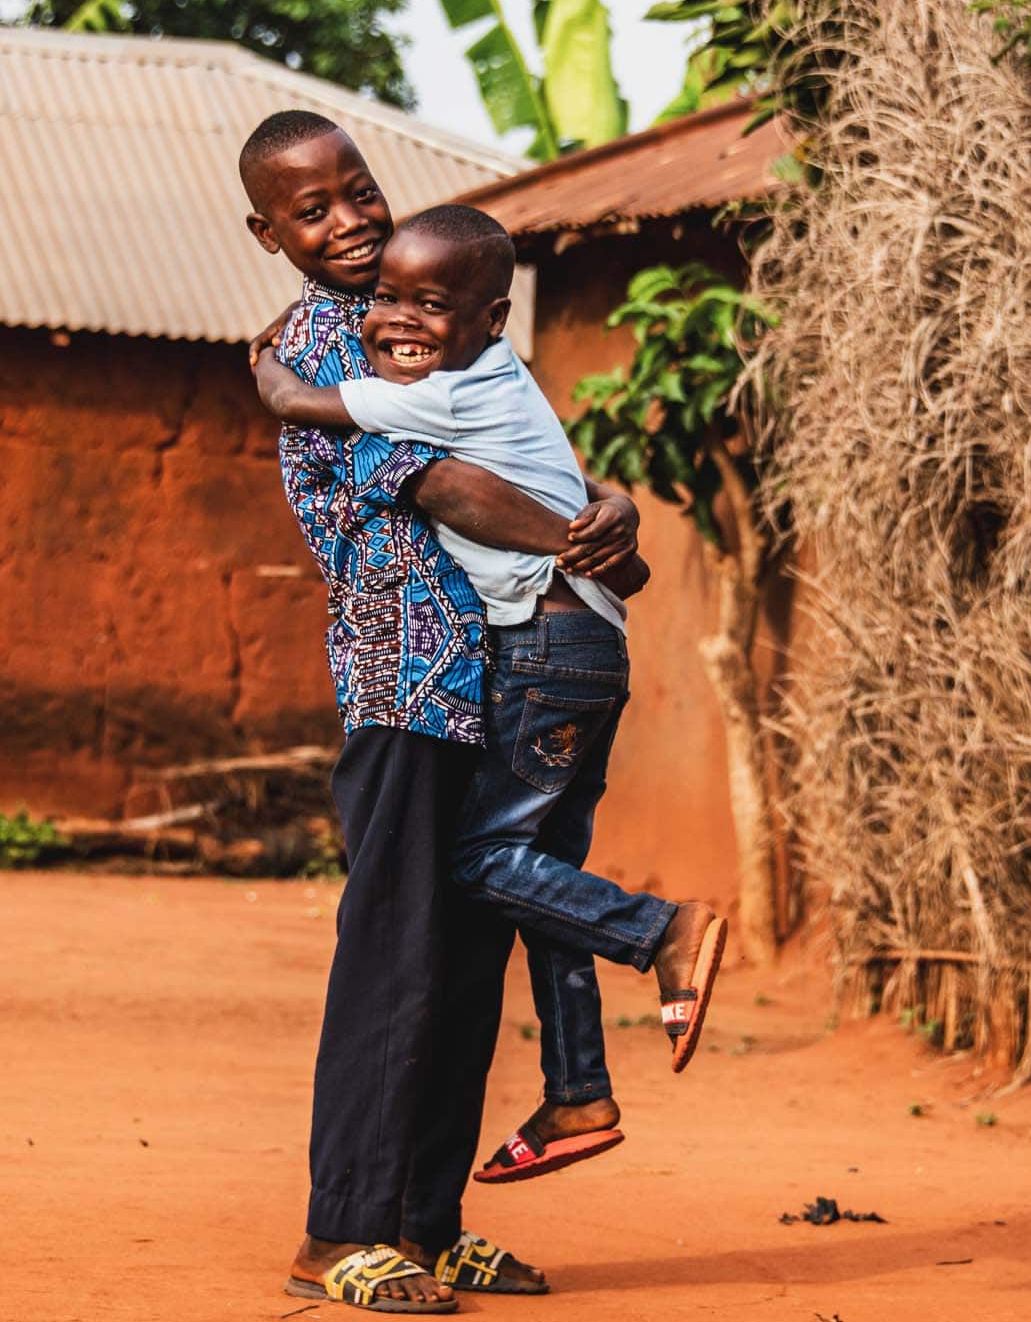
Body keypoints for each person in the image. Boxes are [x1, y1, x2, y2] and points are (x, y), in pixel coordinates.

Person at [240, 108, 645, 1316]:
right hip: (405, 678)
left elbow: (520, 454)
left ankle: (425, 1220)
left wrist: (603, 498)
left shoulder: (426, 323)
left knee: (468, 951)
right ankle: (342, 1231)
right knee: (394, 951)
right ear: (272, 234)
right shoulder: (327, 342)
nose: (350, 219)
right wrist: (597, 555)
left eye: (358, 190)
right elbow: (450, 484)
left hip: (488, 676)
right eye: (314, 209)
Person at [252, 198, 729, 1182]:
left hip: (540, 648)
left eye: (429, 302)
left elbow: (337, 423)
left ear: (485, 318)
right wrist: (604, 517)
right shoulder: (490, 371)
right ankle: (578, 1089)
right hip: (585, 642)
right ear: (267, 231)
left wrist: (266, 370)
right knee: (543, 869)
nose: (398, 319)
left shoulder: (426, 387)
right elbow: (555, 479)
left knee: (479, 861)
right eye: (387, 296)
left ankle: (661, 930)